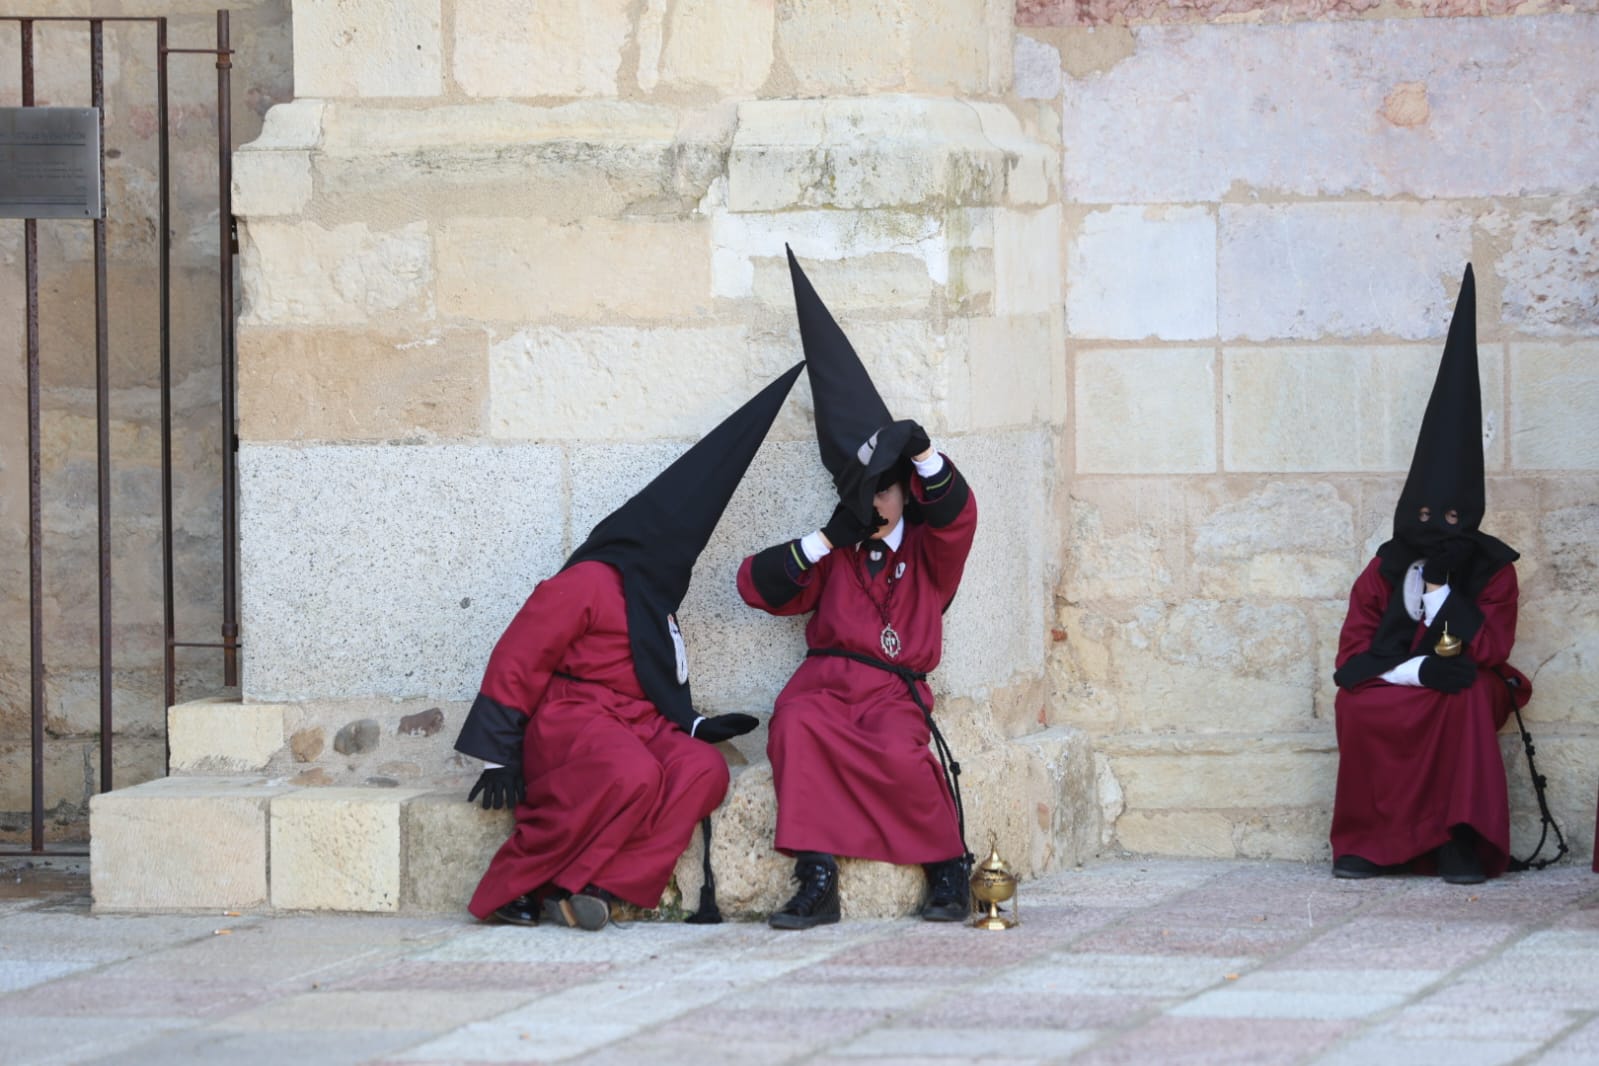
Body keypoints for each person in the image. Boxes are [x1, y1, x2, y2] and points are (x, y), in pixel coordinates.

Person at [454, 364, 803, 929]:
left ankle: (597, 886)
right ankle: (521, 884)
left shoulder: (657, 601)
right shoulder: (590, 581)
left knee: (701, 771)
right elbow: (520, 653)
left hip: (639, 724)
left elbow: (659, 684)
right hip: (575, 720)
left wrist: (696, 728)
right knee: (632, 773)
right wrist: (498, 753)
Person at [736, 248, 978, 929]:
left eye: (884, 491)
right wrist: (825, 537)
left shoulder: (931, 553)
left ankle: (946, 868)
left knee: (900, 749)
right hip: (823, 682)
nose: (874, 505)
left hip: (890, 686)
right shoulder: (835, 547)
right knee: (797, 725)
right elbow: (755, 587)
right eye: (861, 494)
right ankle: (816, 881)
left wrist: (925, 453)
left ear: (905, 492)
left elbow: (960, 514)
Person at [1330, 265, 1529, 885]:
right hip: (1402, 670)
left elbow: (1493, 647)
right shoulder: (1384, 568)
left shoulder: (1493, 568)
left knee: (1465, 697)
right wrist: (1414, 668)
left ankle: (1461, 843)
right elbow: (1354, 647)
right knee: (1357, 706)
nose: (1435, 527)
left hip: (1472, 679)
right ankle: (1370, 844)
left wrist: (1447, 595)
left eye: (1449, 516)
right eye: (1423, 515)